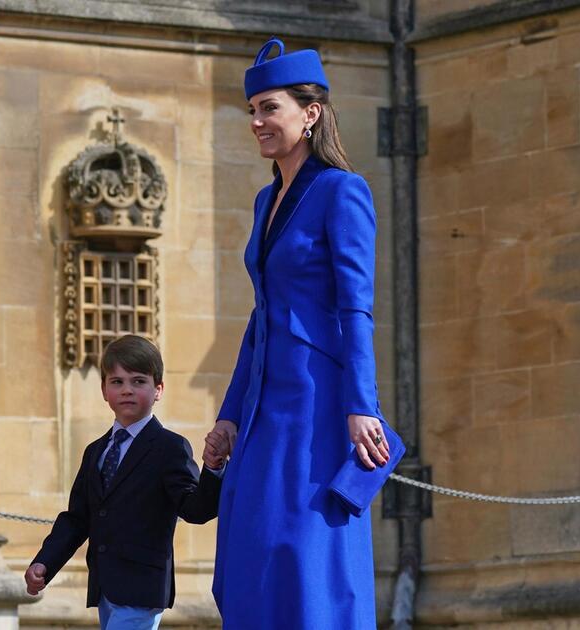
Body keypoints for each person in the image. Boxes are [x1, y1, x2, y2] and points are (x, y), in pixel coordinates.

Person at [203, 38, 393, 628]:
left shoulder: (343, 191)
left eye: (270, 108)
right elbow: (262, 316)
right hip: (265, 403)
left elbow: (356, 308)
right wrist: (231, 414)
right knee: (252, 547)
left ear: (310, 113)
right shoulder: (266, 200)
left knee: (309, 551)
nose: (257, 121)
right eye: (253, 110)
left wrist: (362, 406)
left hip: (317, 403)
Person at [24, 335, 222, 630]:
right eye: (117, 382)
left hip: (143, 586)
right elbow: (78, 518)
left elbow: (196, 509)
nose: (127, 390)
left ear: (158, 389)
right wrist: (45, 562)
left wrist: (214, 468)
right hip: (105, 585)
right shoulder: (96, 451)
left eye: (138, 381)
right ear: (104, 390)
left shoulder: (169, 448)